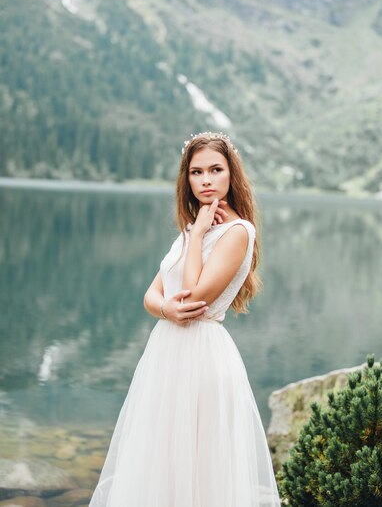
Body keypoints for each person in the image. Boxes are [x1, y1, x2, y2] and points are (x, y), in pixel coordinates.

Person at [88, 131, 281, 507]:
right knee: (159, 458)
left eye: (215, 170)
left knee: (197, 466)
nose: (205, 180)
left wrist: (196, 243)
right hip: (165, 354)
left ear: (231, 175)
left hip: (201, 356)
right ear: (186, 179)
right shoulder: (192, 228)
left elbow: (192, 297)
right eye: (196, 172)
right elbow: (151, 295)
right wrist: (167, 309)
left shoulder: (237, 232)